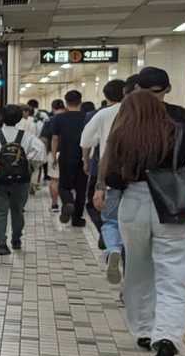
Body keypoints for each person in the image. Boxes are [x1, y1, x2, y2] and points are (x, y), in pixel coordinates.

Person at [98, 81, 185, 356]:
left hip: (134, 203)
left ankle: (144, 329)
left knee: (138, 268)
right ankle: (166, 337)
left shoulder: (124, 132)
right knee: (173, 274)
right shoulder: (179, 127)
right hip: (171, 202)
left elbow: (113, 178)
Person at [0, 105, 47, 255]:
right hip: (21, 181)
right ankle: (16, 239)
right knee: (18, 211)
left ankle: (2, 244)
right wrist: (27, 163)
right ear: (20, 119)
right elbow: (41, 153)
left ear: (1, 117)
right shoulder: (26, 136)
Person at [82, 79, 125, 266]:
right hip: (140, 176)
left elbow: (86, 141)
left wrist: (86, 160)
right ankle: (124, 248)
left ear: (106, 96)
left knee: (110, 219)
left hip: (110, 172)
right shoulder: (142, 113)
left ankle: (113, 246)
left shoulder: (103, 114)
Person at [50, 90, 90, 226]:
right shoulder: (87, 117)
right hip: (82, 156)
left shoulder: (58, 118)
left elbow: (55, 138)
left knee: (64, 186)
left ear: (66, 102)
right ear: (80, 101)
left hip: (66, 156)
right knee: (81, 189)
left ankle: (68, 202)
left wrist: (54, 156)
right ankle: (77, 219)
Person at [40, 99, 66, 211]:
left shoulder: (49, 121)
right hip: (71, 152)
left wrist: (46, 153)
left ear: (53, 108)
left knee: (54, 180)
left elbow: (44, 139)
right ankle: (68, 203)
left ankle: (54, 205)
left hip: (54, 152)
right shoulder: (71, 118)